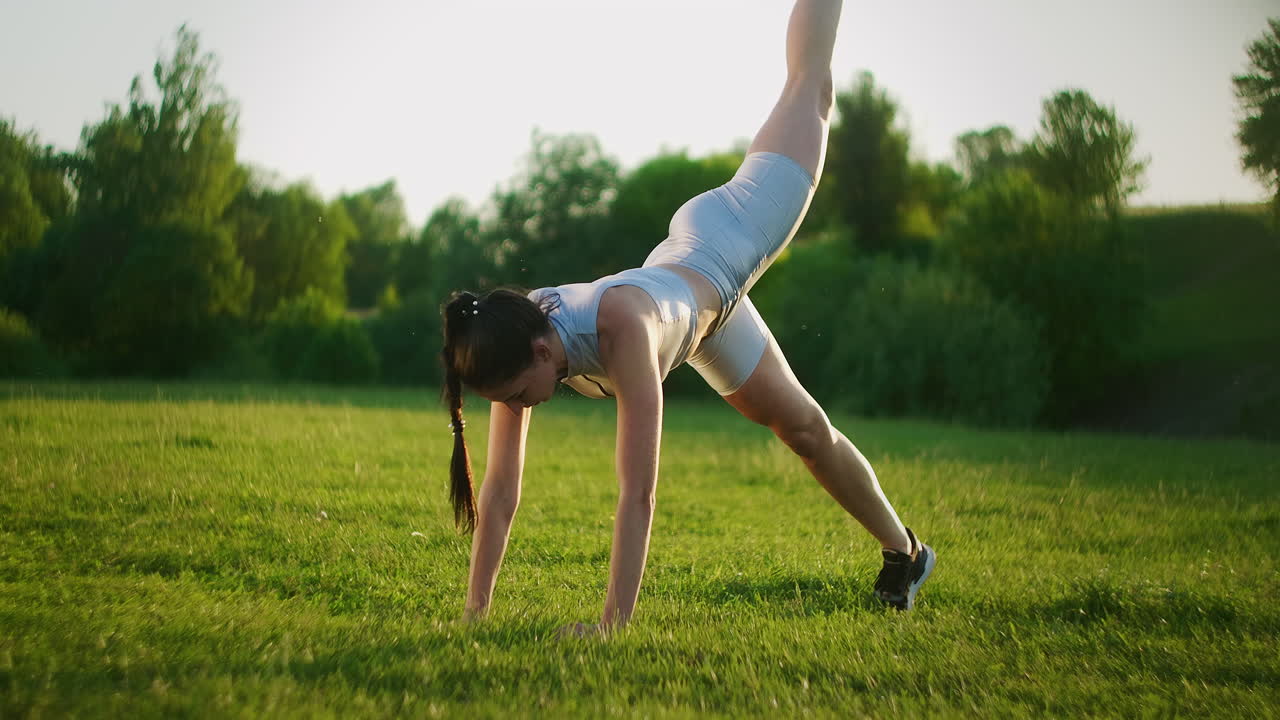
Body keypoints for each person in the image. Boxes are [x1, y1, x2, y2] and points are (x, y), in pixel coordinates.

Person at [440, 0, 934, 637]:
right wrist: (474, 614)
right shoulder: (511, 335)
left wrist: (610, 626)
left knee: (809, 86)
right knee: (805, 429)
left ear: (541, 352)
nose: (518, 407)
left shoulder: (621, 332)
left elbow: (637, 494)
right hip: (693, 304)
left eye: (514, 396)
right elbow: (501, 493)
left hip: (728, 240)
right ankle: (909, 555)